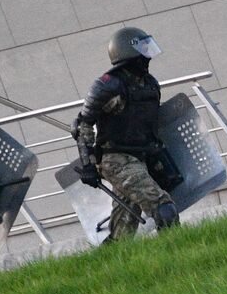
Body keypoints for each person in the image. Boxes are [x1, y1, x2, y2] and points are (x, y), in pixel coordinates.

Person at [72, 27, 179, 241]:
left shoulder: (149, 83)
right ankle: (178, 251)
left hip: (140, 157)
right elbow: (83, 125)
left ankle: (112, 261)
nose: (147, 56)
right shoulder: (108, 85)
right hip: (116, 160)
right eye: (142, 49)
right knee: (163, 206)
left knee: (124, 224)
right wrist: (88, 165)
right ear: (127, 52)